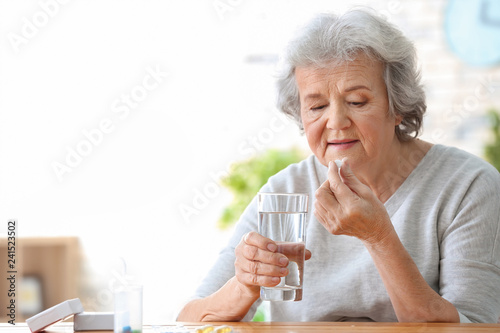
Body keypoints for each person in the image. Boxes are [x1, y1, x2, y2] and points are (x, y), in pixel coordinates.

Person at [177, 8, 500, 323]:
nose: (336, 122)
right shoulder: (286, 190)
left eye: (357, 102)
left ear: (397, 105)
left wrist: (379, 237)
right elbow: (187, 321)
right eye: (316, 106)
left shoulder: (468, 186)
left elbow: (474, 326)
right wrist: (244, 285)